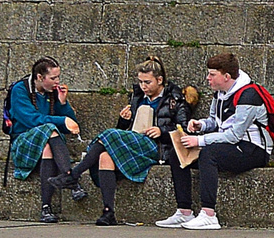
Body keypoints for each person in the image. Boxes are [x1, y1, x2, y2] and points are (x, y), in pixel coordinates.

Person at [54, 57, 194, 226]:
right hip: (134, 145)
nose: (143, 86)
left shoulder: (175, 100)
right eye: (141, 82)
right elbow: (126, 131)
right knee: (105, 156)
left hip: (157, 148)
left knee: (110, 135)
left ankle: (74, 174)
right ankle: (108, 212)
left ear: (160, 80)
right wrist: (123, 121)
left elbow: (184, 130)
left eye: (148, 82)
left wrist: (162, 131)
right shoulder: (137, 98)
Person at [158, 52, 272, 230]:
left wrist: (200, 140)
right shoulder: (219, 93)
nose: (208, 78)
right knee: (176, 153)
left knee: (209, 154)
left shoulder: (248, 96)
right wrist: (201, 125)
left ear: (226, 76)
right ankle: (184, 211)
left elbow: (234, 134)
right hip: (230, 144)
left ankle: (209, 214)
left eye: (212, 74)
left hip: (253, 150)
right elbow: (216, 121)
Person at [5, 57, 84, 224]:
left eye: (58, 77)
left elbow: (70, 125)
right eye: (53, 78)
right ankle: (72, 179)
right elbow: (30, 119)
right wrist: (61, 121)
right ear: (40, 77)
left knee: (48, 146)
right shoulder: (20, 90)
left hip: (45, 143)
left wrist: (63, 104)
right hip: (23, 143)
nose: (57, 82)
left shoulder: (52, 92)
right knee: (49, 129)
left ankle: (46, 208)